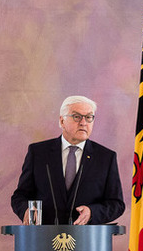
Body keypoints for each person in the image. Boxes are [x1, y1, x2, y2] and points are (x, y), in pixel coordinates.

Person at [11, 95, 125, 225]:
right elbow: (20, 197)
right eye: (77, 117)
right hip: (43, 238)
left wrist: (92, 212)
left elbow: (116, 204)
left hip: (87, 239)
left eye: (88, 117)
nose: (83, 122)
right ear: (62, 121)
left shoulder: (105, 157)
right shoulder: (38, 153)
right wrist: (26, 210)